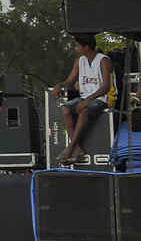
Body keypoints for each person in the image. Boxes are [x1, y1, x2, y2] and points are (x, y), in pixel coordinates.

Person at [48, 34, 115, 166]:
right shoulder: (80, 61)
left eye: (77, 45)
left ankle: (70, 148)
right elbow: (70, 80)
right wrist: (60, 85)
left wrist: (87, 101)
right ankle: (77, 148)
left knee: (84, 110)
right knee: (65, 108)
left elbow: (106, 87)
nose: (75, 48)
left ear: (86, 47)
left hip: (102, 98)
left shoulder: (103, 60)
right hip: (85, 98)